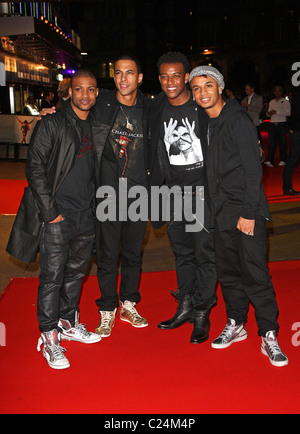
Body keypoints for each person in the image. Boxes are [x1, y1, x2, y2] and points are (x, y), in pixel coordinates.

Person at [189, 65, 288, 367]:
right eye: (196, 88)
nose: (202, 92)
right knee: (229, 273)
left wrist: (248, 212)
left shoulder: (237, 120)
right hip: (219, 213)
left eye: (208, 85)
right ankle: (237, 323)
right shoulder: (206, 122)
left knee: (254, 273)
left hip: (245, 211)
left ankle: (268, 333)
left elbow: (252, 168)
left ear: (219, 88)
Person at [6, 69, 103, 370]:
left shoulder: (98, 126)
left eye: (90, 90)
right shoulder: (52, 123)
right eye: (79, 89)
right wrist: (52, 213)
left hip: (86, 215)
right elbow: (34, 168)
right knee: (52, 278)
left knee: (76, 275)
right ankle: (48, 337)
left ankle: (68, 323)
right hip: (57, 215)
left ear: (97, 93)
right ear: (69, 92)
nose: (85, 95)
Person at [149, 52, 217, 344]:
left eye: (176, 75)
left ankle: (203, 310)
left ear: (187, 76)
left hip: (202, 192)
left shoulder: (202, 105)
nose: (170, 82)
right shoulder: (154, 109)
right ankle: (186, 304)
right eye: (164, 76)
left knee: (204, 253)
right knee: (183, 253)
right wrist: (59, 109)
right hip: (171, 193)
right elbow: (111, 104)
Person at [93, 55, 150, 337]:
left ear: (140, 78)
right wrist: (51, 113)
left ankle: (128, 303)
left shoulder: (150, 109)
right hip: (108, 192)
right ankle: (107, 308)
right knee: (106, 255)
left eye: (130, 73)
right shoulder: (101, 104)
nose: (123, 78)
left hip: (139, 193)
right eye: (118, 73)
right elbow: (74, 110)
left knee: (132, 254)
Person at [264, 86, 291, 167]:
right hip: (272, 123)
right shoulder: (272, 102)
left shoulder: (285, 102)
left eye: (279, 91)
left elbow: (288, 113)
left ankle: (283, 159)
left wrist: (277, 112)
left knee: (282, 143)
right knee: (272, 143)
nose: (277, 93)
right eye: (276, 91)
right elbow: (268, 113)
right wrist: (268, 113)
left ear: (282, 92)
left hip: (281, 124)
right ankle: (270, 160)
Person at [282, 86, 300, 195]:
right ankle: (287, 187)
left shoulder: (295, 97)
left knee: (292, 160)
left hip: (295, 131)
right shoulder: (296, 98)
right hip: (297, 131)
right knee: (292, 160)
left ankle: (287, 187)